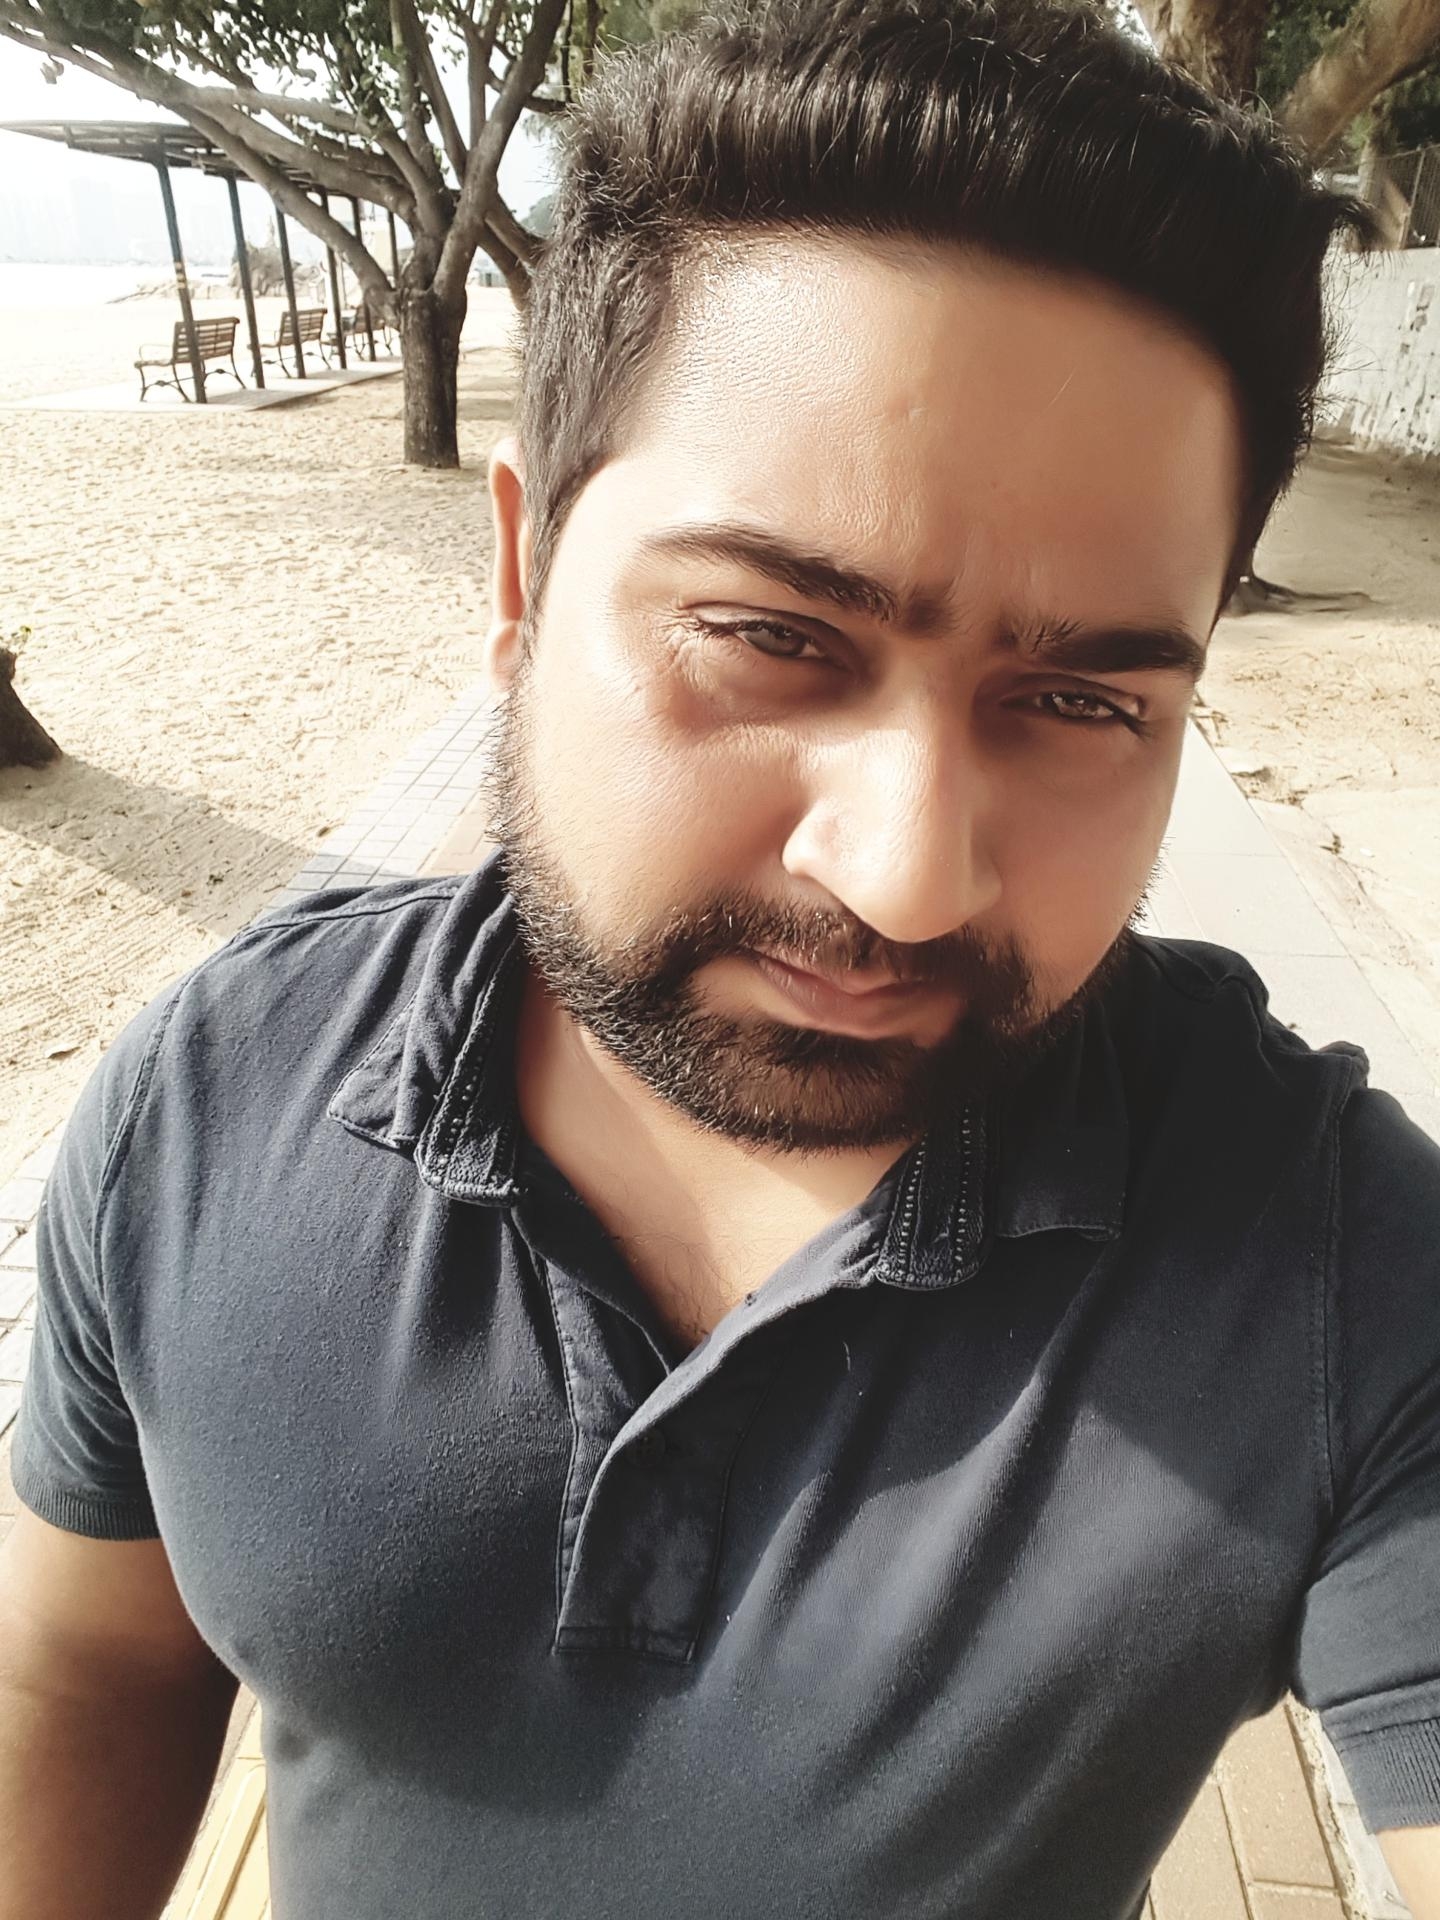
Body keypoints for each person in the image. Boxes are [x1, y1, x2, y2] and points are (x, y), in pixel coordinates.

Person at [3, 3, 1437, 1916]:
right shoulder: (204, 1108)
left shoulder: (1338, 1269)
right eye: (772, 637)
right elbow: (85, 1667)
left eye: (1083, 700)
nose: (907, 878)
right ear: (520, 579)